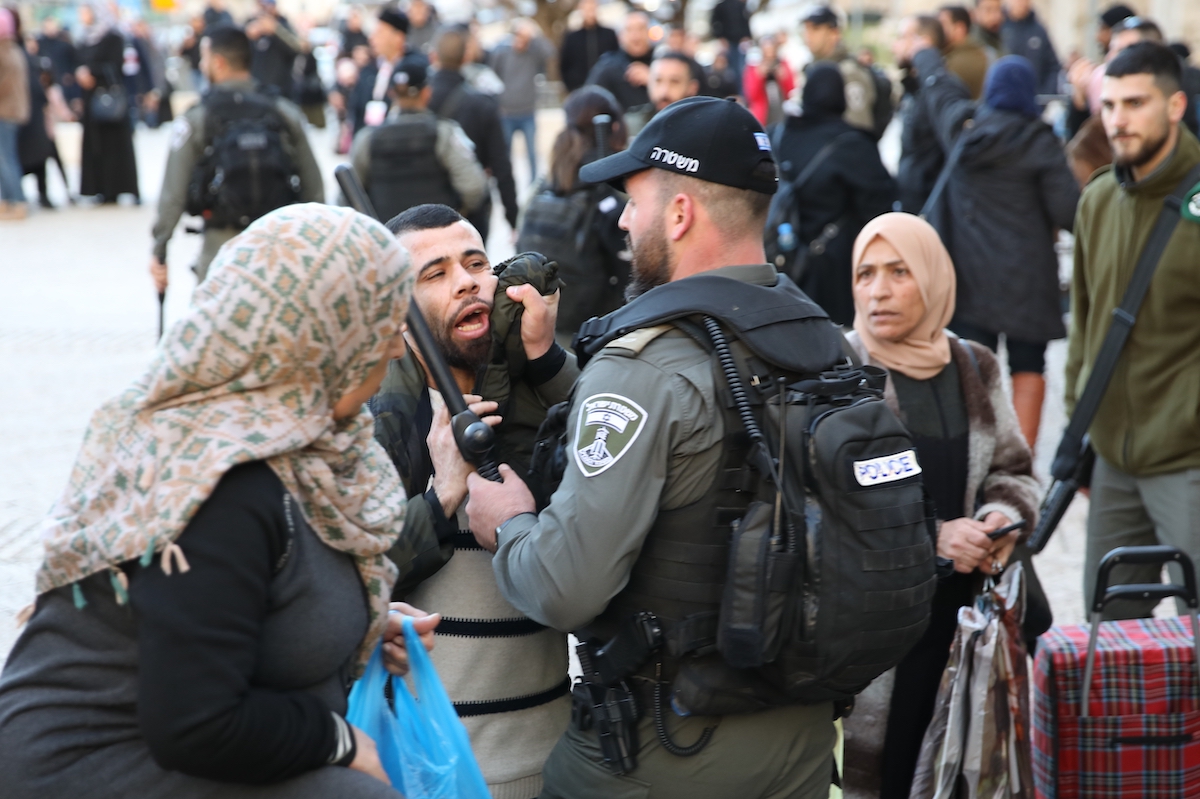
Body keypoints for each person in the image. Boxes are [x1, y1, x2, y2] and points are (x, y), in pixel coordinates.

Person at [463, 95, 838, 799]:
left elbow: (565, 585)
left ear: (681, 213)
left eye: (633, 202)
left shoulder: (641, 364)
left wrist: (508, 522)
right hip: (805, 734)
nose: (625, 220)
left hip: (668, 744)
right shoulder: (819, 336)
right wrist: (550, 366)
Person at [0, 203, 438, 799]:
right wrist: (342, 741)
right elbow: (196, 723)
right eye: (381, 322)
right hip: (96, 765)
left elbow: (234, 602)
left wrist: (354, 620)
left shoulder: (302, 442)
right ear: (320, 337)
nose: (394, 347)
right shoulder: (218, 477)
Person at [369, 204, 577, 799]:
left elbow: (612, 474)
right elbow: (345, 581)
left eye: (476, 263)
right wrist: (442, 496)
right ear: (395, 314)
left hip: (558, 763)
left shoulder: (539, 400)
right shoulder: (378, 429)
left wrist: (548, 361)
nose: (465, 280)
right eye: (433, 274)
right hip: (439, 772)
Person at [839, 212, 1039, 799]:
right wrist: (932, 536)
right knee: (887, 772)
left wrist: (998, 519)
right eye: (865, 273)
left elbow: (1014, 470)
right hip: (882, 635)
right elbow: (831, 502)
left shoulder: (974, 365)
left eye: (899, 271)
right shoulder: (840, 371)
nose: (878, 290)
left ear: (932, 277)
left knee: (962, 767)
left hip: (965, 622)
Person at [1064, 42, 1200, 619]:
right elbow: (1085, 329)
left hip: (1188, 459)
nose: (1117, 119)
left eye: (1135, 102)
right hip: (1114, 464)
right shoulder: (1096, 199)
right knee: (1111, 635)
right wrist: (1082, 431)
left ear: (1174, 105)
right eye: (1110, 104)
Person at [915, 50, 1080, 449]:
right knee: (1028, 366)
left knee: (974, 368)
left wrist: (925, 58)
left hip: (970, 279)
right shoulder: (1042, 144)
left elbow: (942, 98)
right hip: (1027, 278)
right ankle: (1020, 458)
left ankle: (980, 455)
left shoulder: (964, 134)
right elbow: (1071, 212)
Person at [149, 26, 323, 292]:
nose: (201, 64)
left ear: (218, 62)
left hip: (221, 252)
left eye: (204, 58)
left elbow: (172, 194)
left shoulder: (198, 117)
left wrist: (159, 251)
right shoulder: (283, 111)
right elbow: (314, 188)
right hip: (279, 251)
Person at [768, 63, 896, 325]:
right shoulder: (854, 145)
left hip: (776, 265)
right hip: (833, 273)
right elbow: (880, 213)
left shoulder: (777, 135)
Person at [517, 86, 630, 342]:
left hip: (545, 325)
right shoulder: (612, 189)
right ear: (614, 128)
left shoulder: (549, 181)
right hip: (597, 332)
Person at [350, 53, 486, 224]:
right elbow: (474, 188)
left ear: (392, 93)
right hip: (437, 241)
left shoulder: (367, 138)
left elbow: (348, 197)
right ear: (427, 93)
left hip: (387, 240)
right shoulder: (445, 133)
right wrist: (452, 220)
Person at [430, 26, 519, 244]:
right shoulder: (482, 103)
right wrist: (513, 218)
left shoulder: (420, 100)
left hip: (425, 208)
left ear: (433, 56)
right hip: (470, 212)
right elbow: (501, 165)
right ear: (467, 56)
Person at [894, 15, 968, 213]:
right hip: (912, 205)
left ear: (923, 42)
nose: (896, 45)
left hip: (932, 211)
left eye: (902, 37)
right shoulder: (915, 88)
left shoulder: (941, 89)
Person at [76, 2, 139, 205]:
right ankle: (99, 188)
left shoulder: (113, 37)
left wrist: (93, 73)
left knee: (114, 147)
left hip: (109, 102)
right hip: (91, 103)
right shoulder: (84, 38)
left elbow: (116, 66)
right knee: (96, 147)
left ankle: (117, 188)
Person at [488, 18, 553, 182]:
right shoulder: (501, 51)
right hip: (506, 113)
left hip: (528, 112)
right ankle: (507, 183)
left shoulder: (534, 51)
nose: (521, 41)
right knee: (505, 155)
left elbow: (551, 52)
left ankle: (534, 186)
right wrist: (498, 102)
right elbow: (491, 77)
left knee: (532, 154)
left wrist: (535, 33)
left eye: (525, 38)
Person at [802, 5, 878, 135]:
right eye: (806, 29)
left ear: (834, 33)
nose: (808, 35)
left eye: (815, 29)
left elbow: (858, 130)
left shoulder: (849, 72)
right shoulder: (810, 68)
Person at [348, 6, 410, 134]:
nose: (372, 38)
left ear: (398, 37)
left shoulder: (410, 72)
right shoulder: (369, 68)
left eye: (380, 32)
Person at [585, 11, 653, 120]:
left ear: (649, 32)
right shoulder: (607, 67)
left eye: (641, 29)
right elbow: (588, 101)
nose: (636, 36)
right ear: (620, 36)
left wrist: (654, 79)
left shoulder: (663, 63)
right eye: (629, 30)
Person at [0, 7, 29, 220]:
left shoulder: (3, 52)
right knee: (7, 158)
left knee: (5, 159)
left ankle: (16, 201)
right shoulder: (14, 49)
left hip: (4, 111)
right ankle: (9, 201)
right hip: (13, 110)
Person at [1000, 0, 1059, 96]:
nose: (1021, 3)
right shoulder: (999, 27)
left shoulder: (1038, 31)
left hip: (1034, 100)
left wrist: (1045, 94)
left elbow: (1053, 66)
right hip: (1004, 99)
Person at [246, 0, 303, 99]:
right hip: (256, 90)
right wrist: (247, 35)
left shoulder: (284, 24)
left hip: (282, 91)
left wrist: (276, 30)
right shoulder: (251, 24)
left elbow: (298, 48)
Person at [559, 0, 618, 94]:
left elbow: (616, 59)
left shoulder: (609, 35)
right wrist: (571, 86)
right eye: (587, 9)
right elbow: (564, 65)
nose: (590, 13)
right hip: (579, 90)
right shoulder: (572, 37)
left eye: (592, 8)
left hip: (606, 90)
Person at [742, 34, 793, 126]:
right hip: (763, 116)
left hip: (782, 112)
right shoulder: (753, 67)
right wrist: (759, 76)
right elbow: (750, 96)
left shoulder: (783, 64)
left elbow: (791, 91)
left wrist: (783, 77)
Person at [939, 5, 988, 98]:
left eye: (942, 24)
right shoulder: (974, 51)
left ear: (959, 28)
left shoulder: (957, 63)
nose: (938, 29)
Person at [709, 0, 752, 79]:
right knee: (728, 71)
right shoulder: (720, 6)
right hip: (727, 43)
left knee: (741, 69)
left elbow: (745, 23)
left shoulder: (741, 6)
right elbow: (715, 23)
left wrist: (746, 37)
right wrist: (720, 37)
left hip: (740, 43)